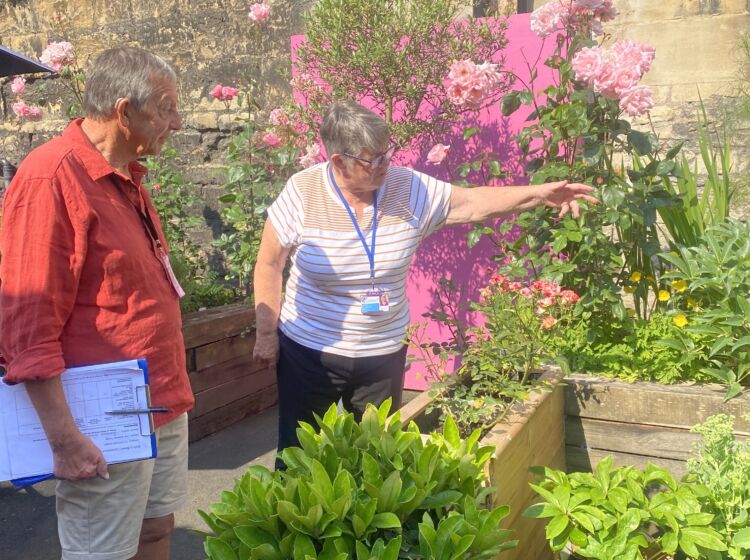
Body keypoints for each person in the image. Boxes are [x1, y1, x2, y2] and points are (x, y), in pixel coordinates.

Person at [253, 100, 597, 464]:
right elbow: (270, 262)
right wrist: (266, 334)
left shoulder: (408, 187)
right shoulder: (302, 191)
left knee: (379, 460)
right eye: (374, 161)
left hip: (381, 354)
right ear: (339, 161)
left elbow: (473, 203)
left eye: (387, 154)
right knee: (298, 456)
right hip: (310, 349)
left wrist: (538, 194)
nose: (386, 165)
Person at [0, 47, 192, 560]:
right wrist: (63, 440)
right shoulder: (51, 178)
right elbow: (28, 321)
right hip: (102, 415)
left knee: (156, 530)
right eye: (168, 108)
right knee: (101, 553)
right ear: (125, 110)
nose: (178, 121)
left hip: (159, 399)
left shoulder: (126, 174)